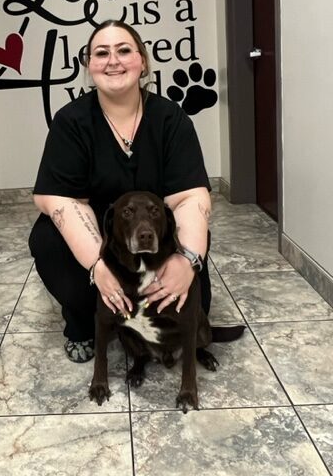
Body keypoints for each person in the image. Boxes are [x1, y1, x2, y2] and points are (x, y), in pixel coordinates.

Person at [29, 20, 212, 363]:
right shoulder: (71, 121)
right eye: (101, 53)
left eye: (124, 50)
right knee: (47, 239)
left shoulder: (170, 119)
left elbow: (191, 197)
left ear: (143, 62)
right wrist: (97, 265)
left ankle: (144, 309)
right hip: (100, 232)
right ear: (89, 66)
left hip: (152, 230)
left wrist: (187, 261)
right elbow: (56, 199)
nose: (113, 60)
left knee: (196, 306)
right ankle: (82, 322)